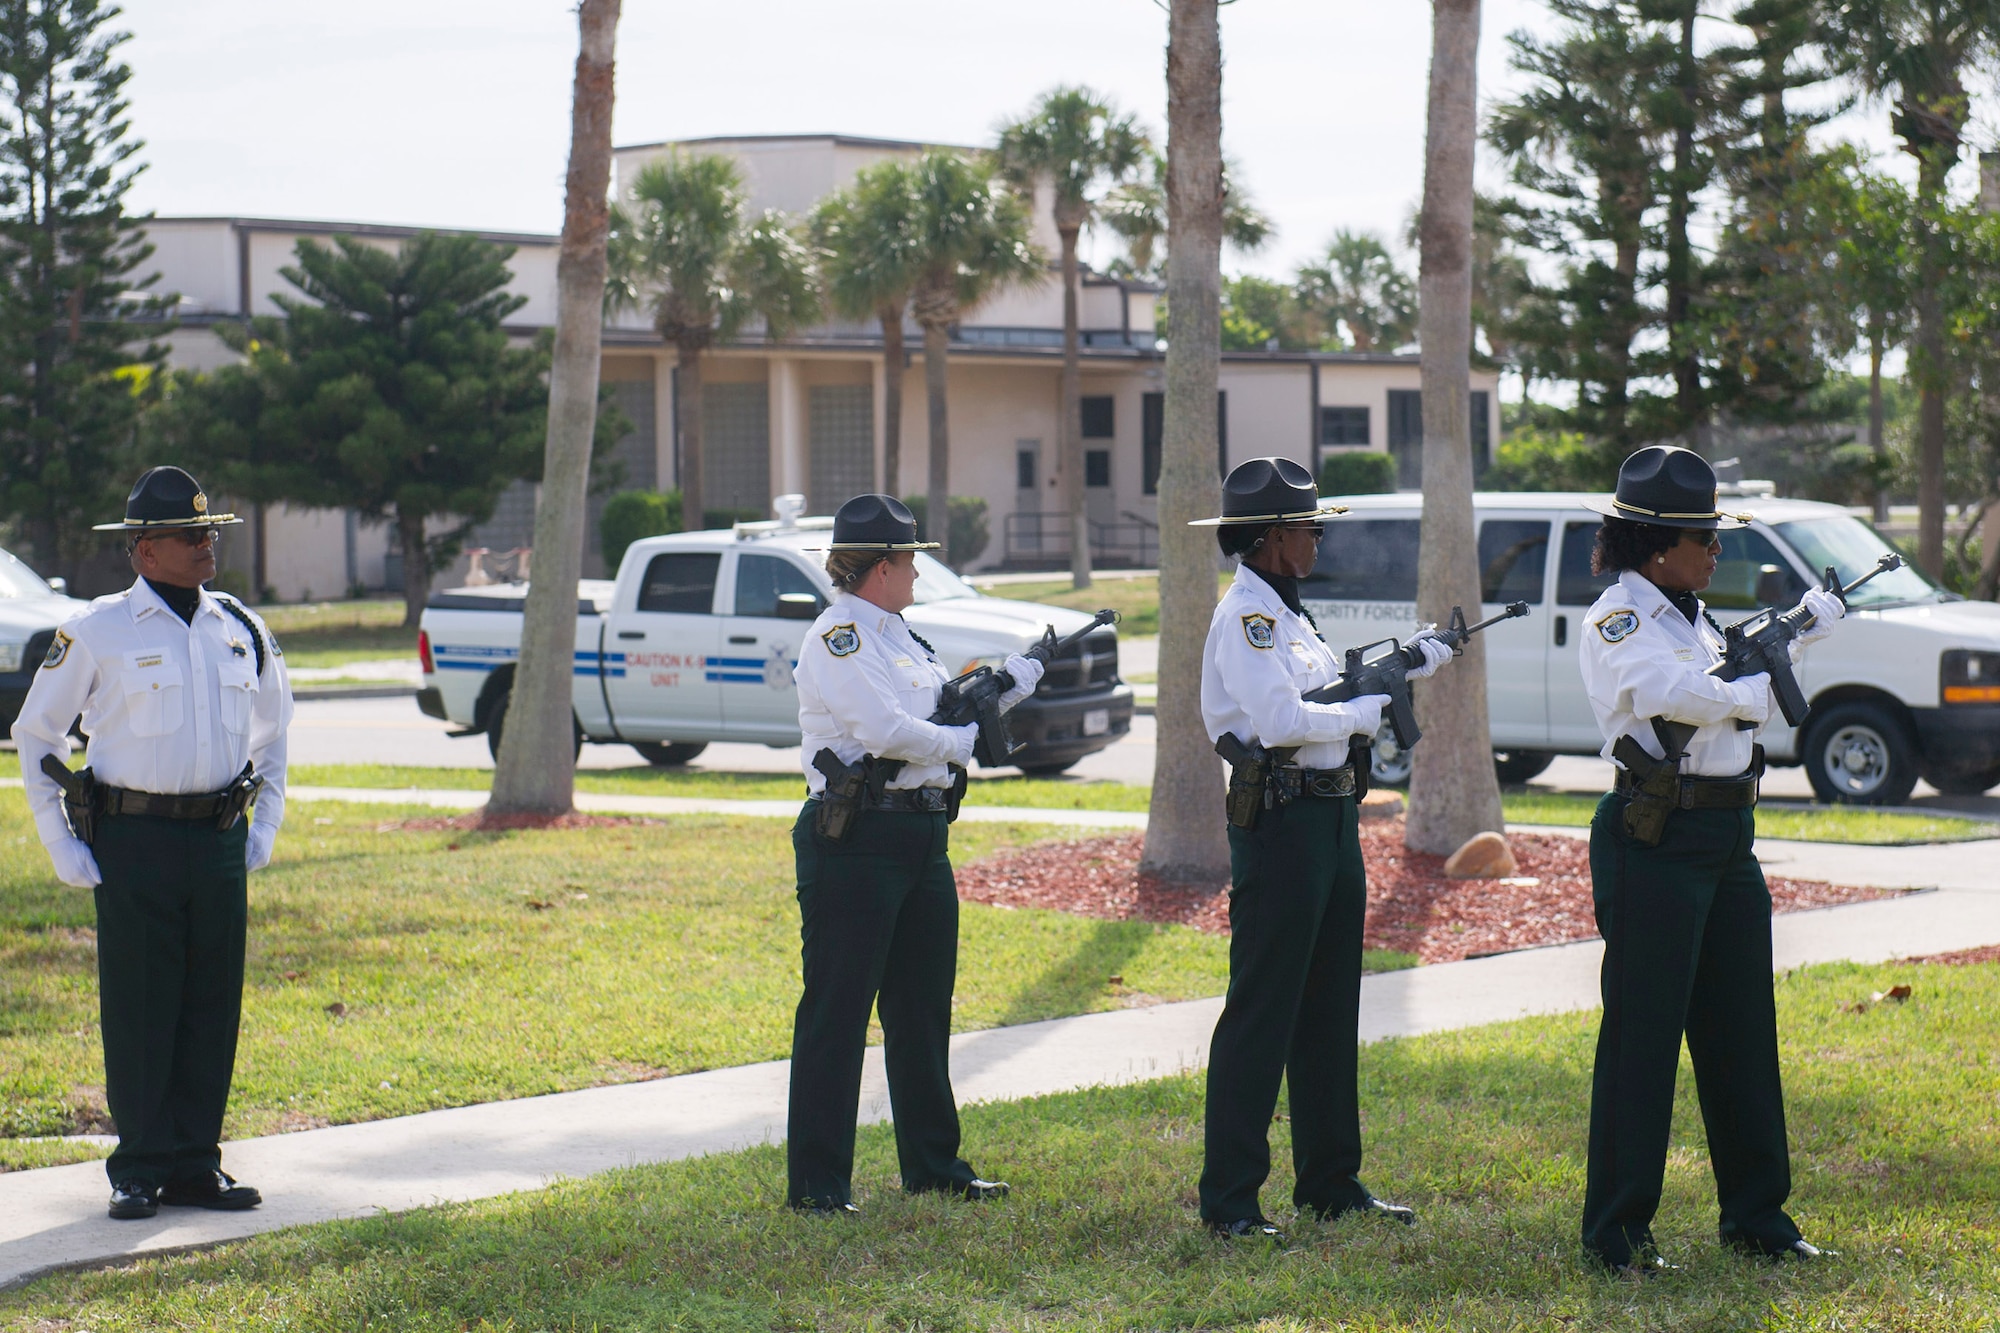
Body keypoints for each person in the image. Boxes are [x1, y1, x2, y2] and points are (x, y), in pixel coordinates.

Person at [1578, 445, 1840, 1273]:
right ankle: (1617, 1232)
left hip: (1728, 838)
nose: (1718, 548)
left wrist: (1802, 631)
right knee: (1642, 1040)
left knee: (1741, 1032)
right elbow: (1666, 692)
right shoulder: (1619, 618)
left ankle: (1758, 1216)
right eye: (1705, 535)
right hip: (1655, 838)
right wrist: (1750, 697)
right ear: (1658, 546)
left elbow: (1725, 688)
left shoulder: (1694, 614)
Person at [11, 466, 293, 1221]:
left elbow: (275, 731)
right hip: (132, 839)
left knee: (211, 1004)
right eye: (190, 535)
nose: (207, 546)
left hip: (217, 842)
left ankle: (197, 1163)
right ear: (145, 551)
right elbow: (34, 734)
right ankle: (137, 1166)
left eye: (211, 532)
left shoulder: (239, 627)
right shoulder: (98, 630)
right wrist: (59, 842)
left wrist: (262, 825)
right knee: (141, 1006)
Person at [1190, 457, 1455, 1241]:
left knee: (1330, 1007)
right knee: (1262, 1012)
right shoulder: (1247, 617)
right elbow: (1278, 720)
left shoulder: (1291, 614)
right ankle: (1231, 1198)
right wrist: (1363, 714)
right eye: (1308, 527)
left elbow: (1324, 690)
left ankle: (1331, 1181)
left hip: (1330, 819)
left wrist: (1407, 663)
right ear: (1272, 537)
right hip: (1279, 822)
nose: (1316, 539)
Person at [784, 493, 1045, 1215]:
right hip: (856, 839)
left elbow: (938, 709)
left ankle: (933, 1165)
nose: (918, 574)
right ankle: (817, 1185)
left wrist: (1003, 688)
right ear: (879, 567)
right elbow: (883, 729)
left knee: (923, 1006)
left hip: (923, 833)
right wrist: (962, 743)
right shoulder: (838, 637)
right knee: (838, 1011)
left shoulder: (902, 635)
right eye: (910, 562)